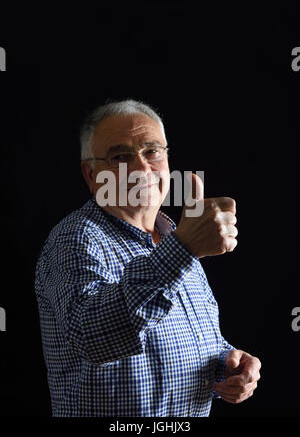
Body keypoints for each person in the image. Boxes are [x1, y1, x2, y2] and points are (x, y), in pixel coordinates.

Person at [35, 99, 261, 417]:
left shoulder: (171, 237)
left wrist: (228, 364)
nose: (142, 168)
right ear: (91, 175)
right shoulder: (75, 239)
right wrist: (182, 249)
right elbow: (92, 336)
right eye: (120, 156)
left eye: (152, 151)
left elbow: (185, 341)